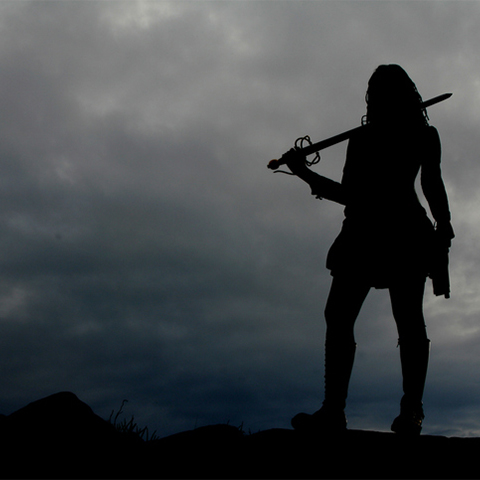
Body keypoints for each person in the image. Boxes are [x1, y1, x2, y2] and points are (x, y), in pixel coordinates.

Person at [281, 64, 454, 435]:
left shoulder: (422, 135)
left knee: (405, 320)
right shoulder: (365, 138)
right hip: (366, 233)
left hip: (401, 233)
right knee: (343, 316)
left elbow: (431, 183)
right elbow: (351, 195)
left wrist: (445, 224)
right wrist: (304, 173)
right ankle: (334, 410)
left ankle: (409, 412)